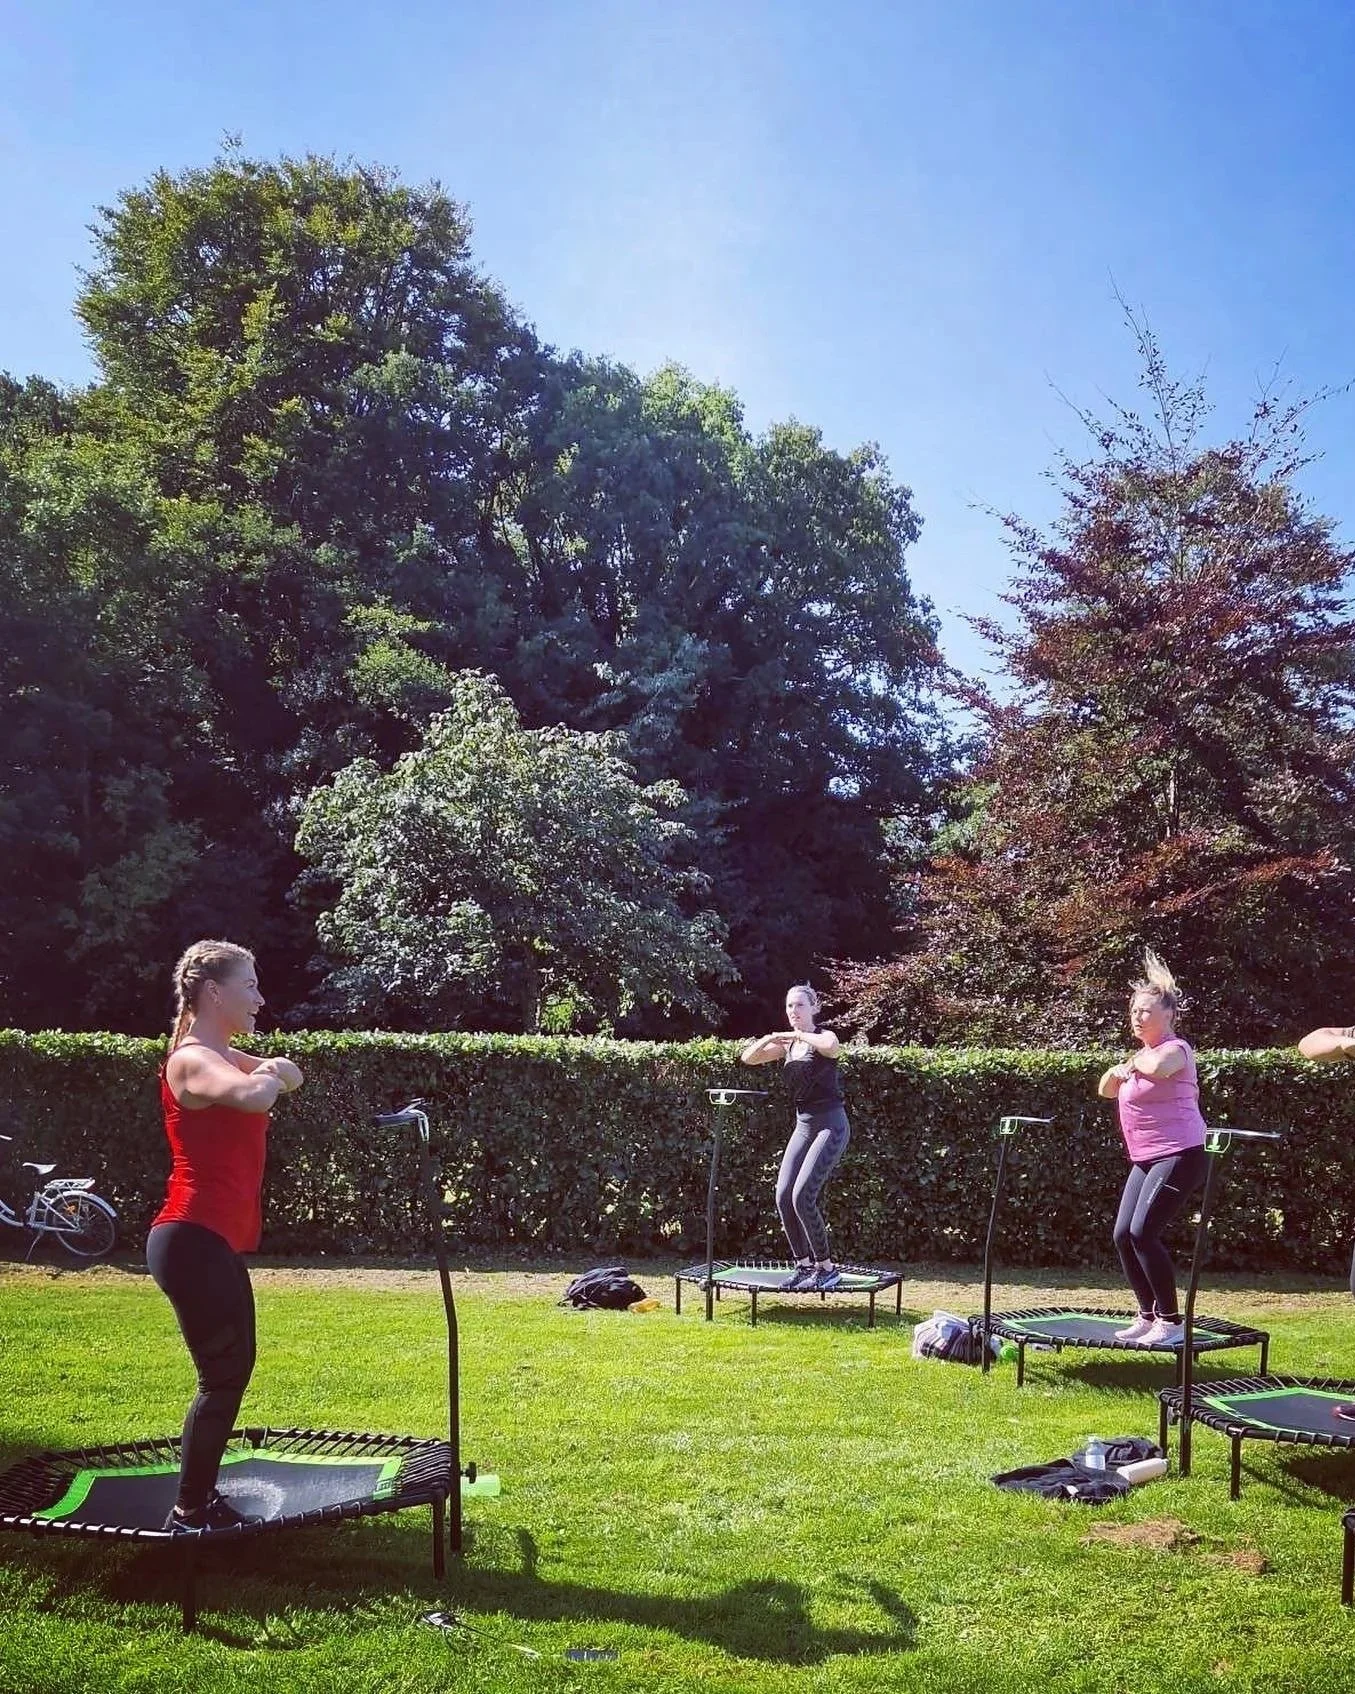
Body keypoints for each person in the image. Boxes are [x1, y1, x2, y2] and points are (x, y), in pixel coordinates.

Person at [147, 940, 304, 1532]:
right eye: (250, 986)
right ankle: (190, 1509)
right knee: (222, 1377)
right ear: (215, 993)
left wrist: (269, 1070)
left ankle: (197, 1500)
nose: (260, 999)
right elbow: (257, 1091)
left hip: (208, 1240)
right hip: (191, 1237)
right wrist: (265, 1073)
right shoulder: (193, 1059)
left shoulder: (220, 1052)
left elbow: (292, 1072)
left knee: (232, 1370)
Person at [1095, 950, 1209, 1347]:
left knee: (1144, 1233)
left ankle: (1171, 1324)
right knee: (1123, 1235)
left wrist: (1132, 1065)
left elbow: (1160, 1069)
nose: (1137, 1017)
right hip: (1145, 1158)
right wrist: (1116, 1070)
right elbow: (1105, 1089)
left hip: (1181, 1154)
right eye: (1133, 1011)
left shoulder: (1176, 1050)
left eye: (1145, 1011)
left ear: (1168, 1016)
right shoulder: (1139, 1056)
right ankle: (1146, 1316)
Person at [740, 984, 849, 1292]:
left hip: (831, 1124)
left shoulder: (822, 1037)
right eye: (789, 1006)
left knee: (803, 1195)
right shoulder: (787, 1046)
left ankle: (826, 1268)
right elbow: (748, 1058)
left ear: (814, 1007)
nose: (793, 1011)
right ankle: (803, 1266)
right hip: (803, 1126)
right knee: (783, 1195)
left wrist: (799, 1034)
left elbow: (832, 1048)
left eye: (800, 1005)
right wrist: (771, 1038)